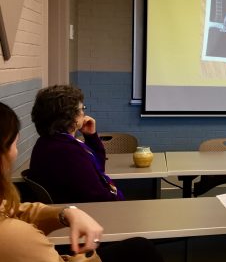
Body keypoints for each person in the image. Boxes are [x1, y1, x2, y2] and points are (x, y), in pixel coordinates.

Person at [0, 102, 164, 262]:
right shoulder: (67, 150)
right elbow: (99, 192)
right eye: (15, 143)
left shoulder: (51, 143)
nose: (16, 151)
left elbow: (97, 168)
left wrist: (67, 213)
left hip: (76, 214)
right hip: (87, 228)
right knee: (142, 248)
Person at [29, 85, 124, 203]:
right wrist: (121, 201)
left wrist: (91, 136)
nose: (84, 113)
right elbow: (99, 197)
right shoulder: (68, 151)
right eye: (81, 108)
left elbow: (98, 169)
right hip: (89, 212)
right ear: (69, 116)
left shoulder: (48, 142)